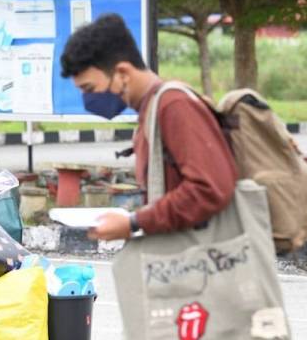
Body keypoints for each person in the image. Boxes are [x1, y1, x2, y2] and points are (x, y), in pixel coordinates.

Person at [60, 13, 237, 241]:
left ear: (123, 73)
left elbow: (210, 188)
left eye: (90, 88)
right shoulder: (151, 109)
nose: (88, 99)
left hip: (208, 263)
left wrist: (135, 222)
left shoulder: (174, 106)